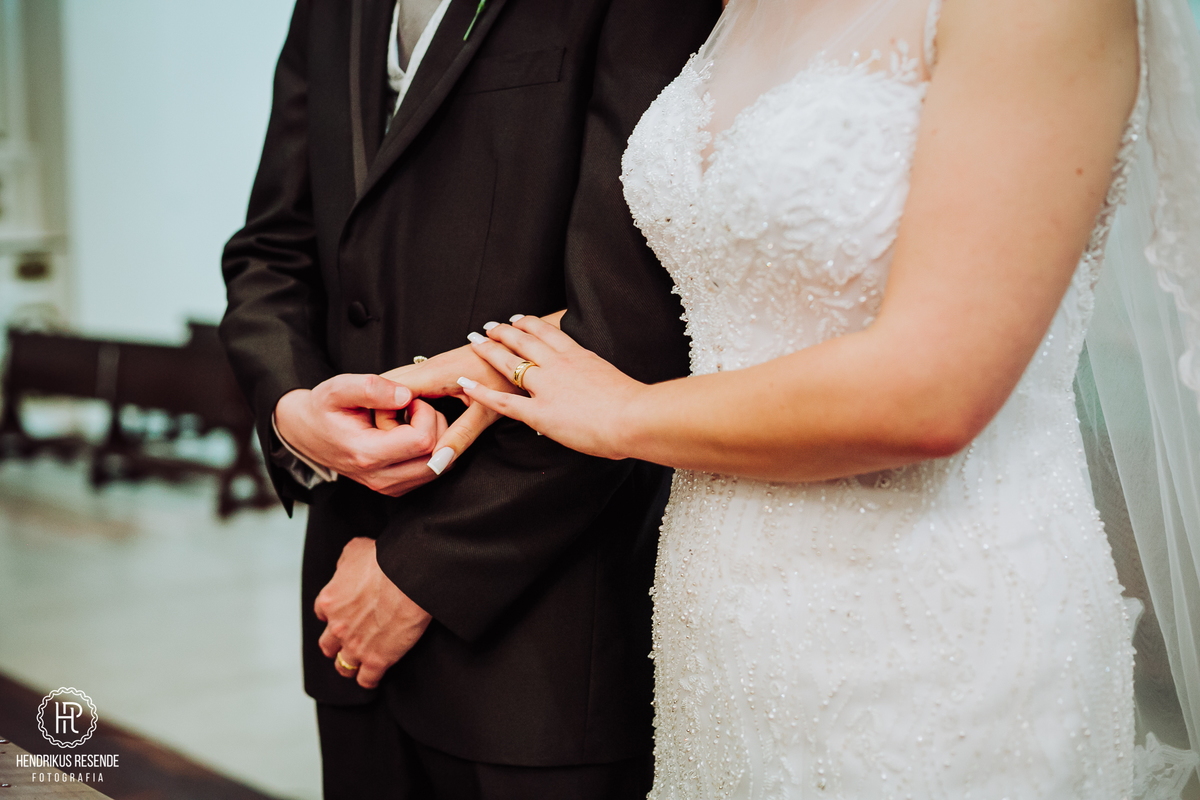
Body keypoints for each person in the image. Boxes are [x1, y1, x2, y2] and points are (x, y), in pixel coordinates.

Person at [418, 0, 1200, 794]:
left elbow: (934, 390)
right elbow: (729, 282)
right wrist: (479, 366)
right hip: (722, 623)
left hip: (938, 623)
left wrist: (623, 416)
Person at [219, 0, 720, 797]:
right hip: (344, 616)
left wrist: (419, 570)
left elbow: (633, 318)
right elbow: (271, 248)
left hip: (544, 641)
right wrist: (293, 412)